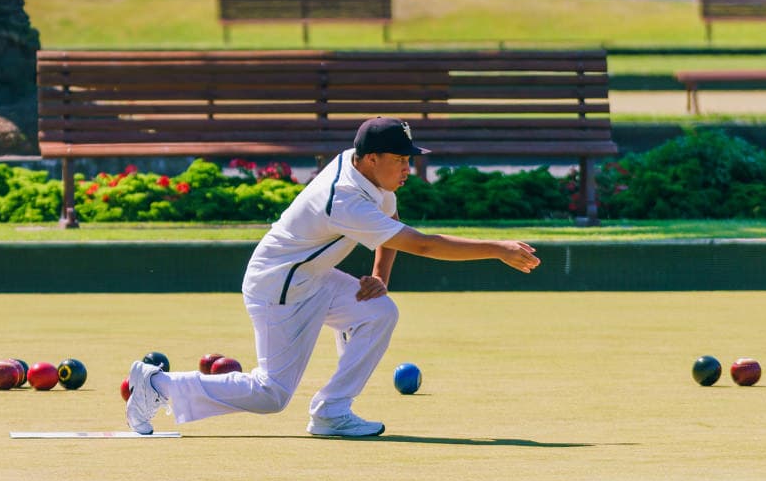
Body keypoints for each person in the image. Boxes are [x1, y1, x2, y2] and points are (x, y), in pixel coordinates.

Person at [126, 118, 541, 439]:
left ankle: (332, 411)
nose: (408, 169)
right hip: (280, 288)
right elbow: (424, 244)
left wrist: (379, 276)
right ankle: (157, 383)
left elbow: (391, 219)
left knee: (378, 311)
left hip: (313, 277)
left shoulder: (364, 166)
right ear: (373, 157)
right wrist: (496, 248)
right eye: (402, 160)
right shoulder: (344, 198)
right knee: (271, 394)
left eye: (409, 159)